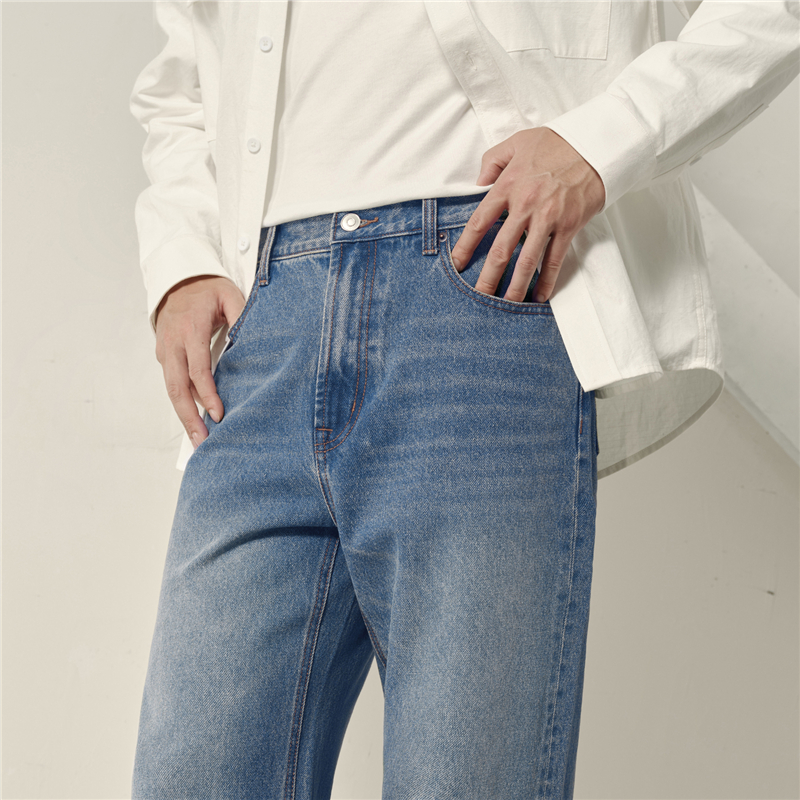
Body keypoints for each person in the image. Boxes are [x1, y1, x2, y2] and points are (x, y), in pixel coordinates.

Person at [128, 2, 799, 797]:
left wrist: (602, 144)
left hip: (485, 275)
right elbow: (181, 82)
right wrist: (182, 258)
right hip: (263, 313)